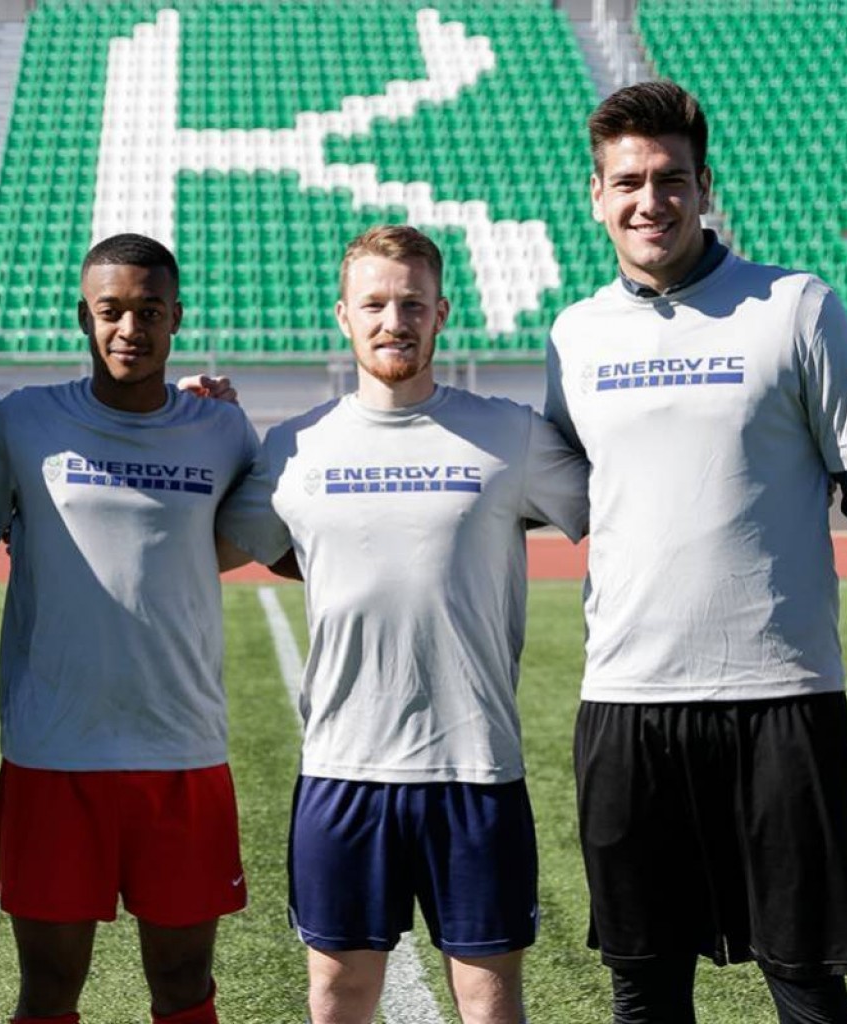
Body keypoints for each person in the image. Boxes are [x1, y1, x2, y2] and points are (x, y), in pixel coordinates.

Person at [543, 80, 847, 1024]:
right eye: (630, 181)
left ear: (703, 185)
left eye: (672, 179)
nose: (652, 200)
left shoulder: (795, 308)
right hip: (627, 699)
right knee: (642, 987)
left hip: (779, 696)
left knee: (804, 982)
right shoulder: (572, 337)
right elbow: (543, 483)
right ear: (596, 195)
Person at [219, 225, 590, 1024]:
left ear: (441, 312)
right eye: (375, 304)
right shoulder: (294, 448)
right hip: (344, 767)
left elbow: (621, 510)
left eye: (412, 303)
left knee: (488, 1000)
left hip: (475, 767)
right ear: (343, 317)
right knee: (337, 991)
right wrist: (189, 421)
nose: (394, 320)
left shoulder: (510, 436)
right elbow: (217, 539)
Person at [0, 233, 262, 1024]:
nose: (131, 329)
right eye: (112, 311)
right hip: (54, 753)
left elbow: (259, 542)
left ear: (176, 319)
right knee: (50, 988)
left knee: (184, 984)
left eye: (150, 311)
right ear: (83, 319)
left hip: (182, 750)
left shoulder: (223, 431)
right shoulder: (24, 423)